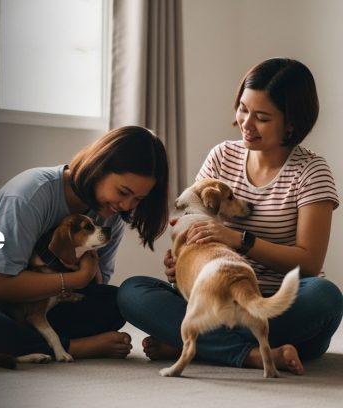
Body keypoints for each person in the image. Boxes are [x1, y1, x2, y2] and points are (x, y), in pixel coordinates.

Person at [118, 58, 343, 375]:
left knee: (325, 296)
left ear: (291, 123)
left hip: (276, 304)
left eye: (261, 117)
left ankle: (196, 342)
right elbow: (191, 227)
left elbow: (308, 264)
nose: (246, 123)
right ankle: (250, 353)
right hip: (216, 296)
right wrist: (181, 264)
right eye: (243, 108)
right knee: (132, 291)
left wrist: (241, 241)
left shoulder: (311, 172)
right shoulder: (222, 156)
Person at [0, 126, 169, 362]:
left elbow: (93, 288)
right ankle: (73, 347)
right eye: (123, 192)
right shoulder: (31, 194)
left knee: (116, 302)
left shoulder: (110, 215)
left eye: (138, 199)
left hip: (46, 307)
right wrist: (75, 279)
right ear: (99, 168)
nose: (126, 206)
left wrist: (88, 269)